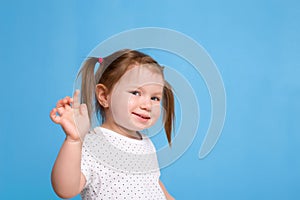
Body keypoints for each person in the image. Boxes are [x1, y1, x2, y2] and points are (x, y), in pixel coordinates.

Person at [50, 49, 175, 199]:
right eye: (136, 93)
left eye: (155, 98)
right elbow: (66, 189)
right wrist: (73, 140)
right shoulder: (94, 143)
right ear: (104, 96)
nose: (147, 105)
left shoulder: (146, 143)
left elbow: (152, 182)